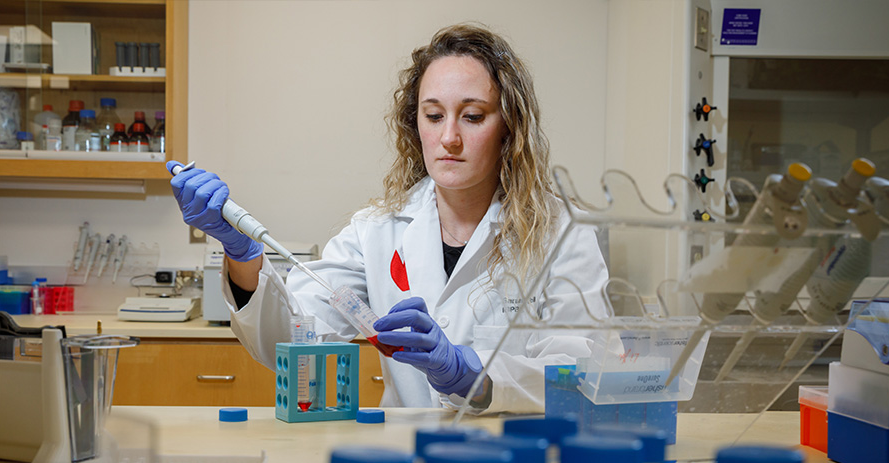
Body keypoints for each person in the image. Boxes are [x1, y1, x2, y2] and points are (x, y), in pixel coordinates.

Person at [168, 23, 608, 414]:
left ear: (508, 125)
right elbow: (290, 338)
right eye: (433, 116)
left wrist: (474, 376)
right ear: (414, 123)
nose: (449, 137)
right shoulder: (376, 231)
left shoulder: (562, 233)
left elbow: (584, 372)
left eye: (473, 116)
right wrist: (243, 255)